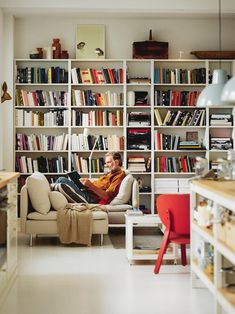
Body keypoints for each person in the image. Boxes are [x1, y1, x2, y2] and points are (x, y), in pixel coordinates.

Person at [54, 152, 125, 204]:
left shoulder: (119, 176)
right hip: (85, 191)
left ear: (117, 162)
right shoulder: (109, 173)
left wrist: (90, 185)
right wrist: (85, 184)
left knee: (61, 180)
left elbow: (107, 196)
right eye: (106, 163)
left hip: (90, 199)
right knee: (65, 180)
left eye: (109, 162)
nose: (107, 165)